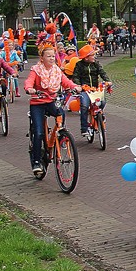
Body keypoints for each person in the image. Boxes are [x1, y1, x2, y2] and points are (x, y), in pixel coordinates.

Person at [24, 45, 81, 177]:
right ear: (42, 58)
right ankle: (37, 161)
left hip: (50, 101)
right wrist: (29, 88)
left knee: (60, 113)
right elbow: (29, 81)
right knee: (38, 133)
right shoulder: (36, 70)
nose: (51, 58)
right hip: (37, 103)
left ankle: (60, 136)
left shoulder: (56, 70)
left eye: (52, 56)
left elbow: (66, 82)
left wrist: (75, 86)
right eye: (48, 56)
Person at [72, 44, 111, 137]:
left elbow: (102, 73)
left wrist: (107, 81)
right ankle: (84, 128)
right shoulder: (79, 65)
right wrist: (78, 86)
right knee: (84, 106)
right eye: (92, 55)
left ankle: (100, 115)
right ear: (86, 58)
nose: (94, 57)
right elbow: (75, 76)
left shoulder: (96, 64)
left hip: (95, 89)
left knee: (103, 102)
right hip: (84, 90)